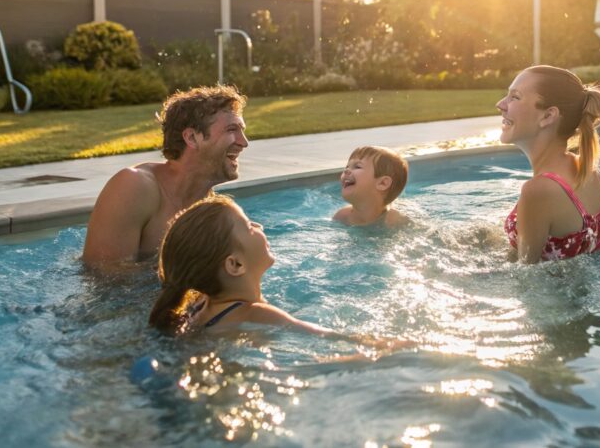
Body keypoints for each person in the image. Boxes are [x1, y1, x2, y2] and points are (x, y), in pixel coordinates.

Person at [82, 85, 248, 268]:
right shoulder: (134, 186)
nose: (244, 142)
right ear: (192, 138)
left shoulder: (214, 212)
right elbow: (104, 279)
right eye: (232, 130)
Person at [150, 196, 340, 335]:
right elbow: (326, 338)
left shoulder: (198, 307)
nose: (259, 226)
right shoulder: (257, 315)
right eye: (249, 226)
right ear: (236, 264)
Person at [496, 65, 600, 263]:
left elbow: (525, 276)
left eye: (515, 97)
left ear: (548, 116)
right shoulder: (589, 171)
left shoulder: (538, 191)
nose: (501, 104)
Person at [333, 146, 409, 227]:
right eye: (347, 166)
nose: (346, 170)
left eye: (357, 166)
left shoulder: (395, 220)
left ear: (382, 183)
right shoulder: (342, 217)